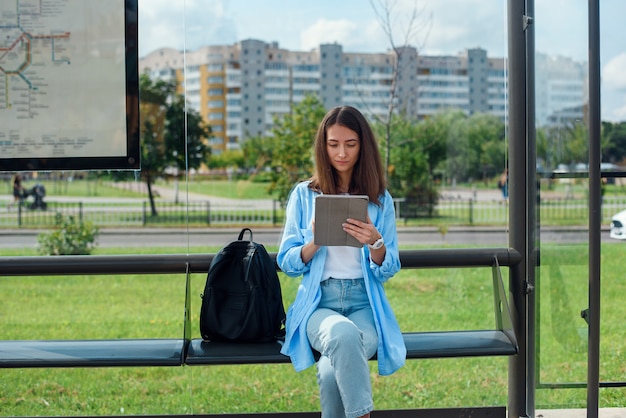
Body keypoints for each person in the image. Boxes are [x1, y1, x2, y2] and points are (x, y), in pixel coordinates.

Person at [277, 106, 406, 418]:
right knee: (342, 335)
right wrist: (316, 241)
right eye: (333, 144)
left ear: (363, 146)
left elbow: (388, 268)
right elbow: (288, 262)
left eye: (350, 144)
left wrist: (376, 242)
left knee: (331, 369)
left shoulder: (379, 199)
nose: (341, 153)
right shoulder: (304, 194)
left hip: (365, 303)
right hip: (319, 304)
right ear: (323, 146)